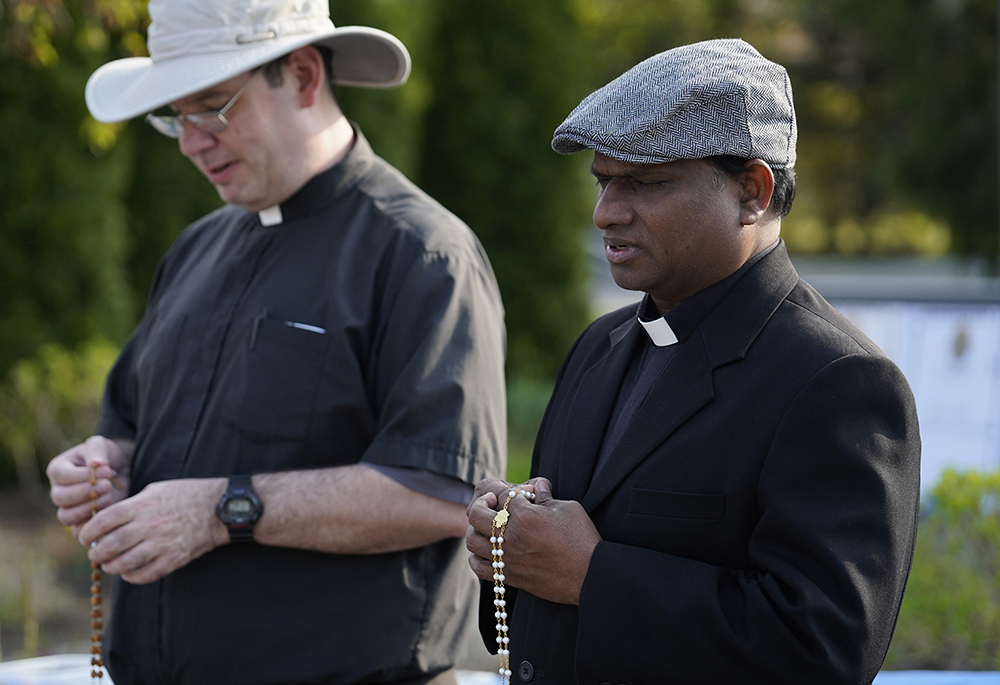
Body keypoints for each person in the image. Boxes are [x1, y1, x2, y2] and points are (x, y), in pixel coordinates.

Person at [45, 1, 507, 683]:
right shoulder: (196, 247)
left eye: (210, 107)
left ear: (302, 75)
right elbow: (130, 426)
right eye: (175, 115)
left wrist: (220, 509)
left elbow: (443, 491)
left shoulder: (423, 253)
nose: (189, 140)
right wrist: (102, 463)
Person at [466, 38, 920, 685]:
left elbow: (825, 652)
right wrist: (509, 546)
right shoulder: (599, 347)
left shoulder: (839, 380)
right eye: (602, 182)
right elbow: (541, 620)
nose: (605, 212)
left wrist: (592, 573)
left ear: (753, 191)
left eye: (645, 183)